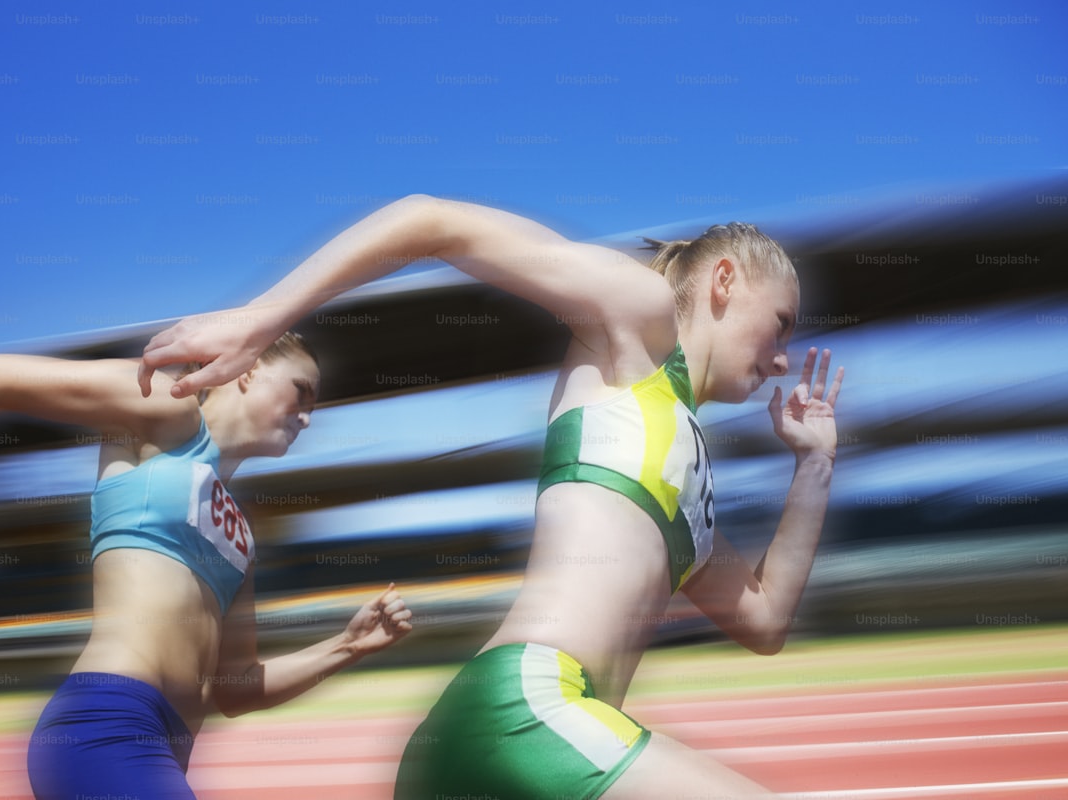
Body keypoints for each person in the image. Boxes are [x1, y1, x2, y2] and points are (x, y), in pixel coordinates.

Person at [137, 195, 844, 798]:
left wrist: (815, 464)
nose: (783, 357)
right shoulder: (641, 320)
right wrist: (261, 320)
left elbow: (764, 621)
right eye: (781, 322)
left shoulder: (691, 493)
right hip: (529, 713)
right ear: (724, 280)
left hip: (509, 747)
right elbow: (430, 220)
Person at [0, 332, 413, 799]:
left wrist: (348, 646)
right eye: (300, 392)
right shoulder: (170, 411)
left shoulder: (241, 535)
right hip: (108, 723)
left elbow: (237, 688)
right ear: (247, 371)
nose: (308, 418)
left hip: (166, 748)